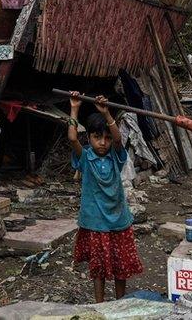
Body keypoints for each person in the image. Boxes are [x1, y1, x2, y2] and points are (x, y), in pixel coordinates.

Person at [67, 92, 143, 302]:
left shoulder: (115, 156)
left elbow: (118, 138)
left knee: (121, 266)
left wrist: (107, 113)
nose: (103, 142)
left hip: (118, 220)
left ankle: (119, 304)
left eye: (106, 138)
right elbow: (72, 138)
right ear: (89, 137)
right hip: (95, 222)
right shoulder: (85, 158)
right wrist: (74, 107)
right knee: (98, 268)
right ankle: (99, 305)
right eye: (97, 137)